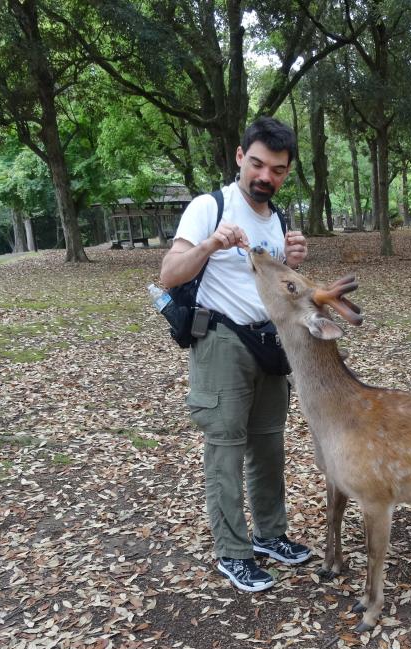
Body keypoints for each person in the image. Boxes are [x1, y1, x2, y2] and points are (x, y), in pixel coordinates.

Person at [160, 116, 312, 593]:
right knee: (225, 447)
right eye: (259, 164)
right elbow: (169, 275)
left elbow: (273, 283)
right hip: (222, 341)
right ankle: (233, 552)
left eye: (279, 170)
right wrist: (210, 243)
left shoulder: (277, 218)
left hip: (271, 342)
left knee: (268, 443)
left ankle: (270, 535)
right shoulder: (210, 206)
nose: (267, 176)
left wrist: (293, 264)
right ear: (240, 157)